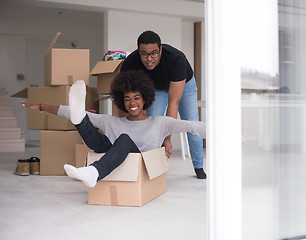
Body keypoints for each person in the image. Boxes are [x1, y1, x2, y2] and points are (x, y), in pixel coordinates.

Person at [20, 70, 206, 188]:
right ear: (121, 101)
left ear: (145, 99)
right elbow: (66, 111)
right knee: (90, 125)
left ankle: (94, 172)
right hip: (110, 152)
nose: (132, 103)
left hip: (140, 163)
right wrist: (42, 106)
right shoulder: (113, 122)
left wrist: (225, 131)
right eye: (127, 99)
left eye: (136, 98)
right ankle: (80, 119)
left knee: (123, 139)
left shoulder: (160, 123)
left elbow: (192, 126)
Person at [121, 30, 206, 179]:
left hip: (184, 85)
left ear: (160, 49)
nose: (149, 59)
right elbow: (125, 100)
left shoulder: (176, 59)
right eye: (144, 54)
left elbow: (174, 102)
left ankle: (198, 166)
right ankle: (153, 166)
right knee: (153, 122)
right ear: (138, 52)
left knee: (191, 123)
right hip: (158, 88)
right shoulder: (130, 63)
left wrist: (167, 138)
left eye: (154, 53)